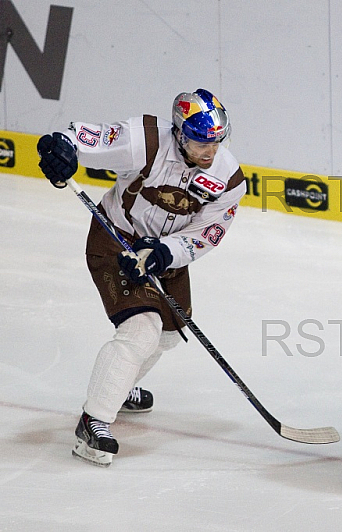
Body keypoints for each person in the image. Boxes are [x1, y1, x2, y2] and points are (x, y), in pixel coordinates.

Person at [36, 89, 246, 467]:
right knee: (142, 329)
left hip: (165, 254)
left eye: (216, 141)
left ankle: (119, 386)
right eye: (200, 142)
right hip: (115, 237)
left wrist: (167, 253)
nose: (209, 151)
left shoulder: (228, 178)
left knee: (166, 335)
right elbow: (81, 137)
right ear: (180, 134)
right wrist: (61, 148)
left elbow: (208, 233)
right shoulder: (144, 139)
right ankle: (94, 421)